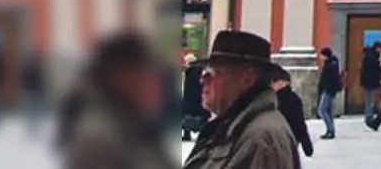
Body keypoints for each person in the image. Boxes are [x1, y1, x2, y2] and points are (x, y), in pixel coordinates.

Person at [61, 32, 180, 169]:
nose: (155, 85)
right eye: (146, 75)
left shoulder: (132, 126)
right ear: (121, 77)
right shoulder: (100, 138)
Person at [182, 30, 300, 169]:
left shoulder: (261, 139)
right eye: (203, 72)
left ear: (247, 78)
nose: (202, 80)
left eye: (212, 72)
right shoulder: (233, 127)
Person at [269, 66, 315, 163]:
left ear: (283, 83)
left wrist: (306, 144)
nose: (272, 85)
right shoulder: (274, 98)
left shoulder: (287, 99)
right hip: (286, 139)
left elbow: (299, 123)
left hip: (286, 138)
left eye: (275, 82)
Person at [314, 47, 341, 140]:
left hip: (328, 90)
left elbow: (328, 79)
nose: (320, 57)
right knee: (328, 111)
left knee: (322, 110)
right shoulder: (332, 64)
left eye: (322, 55)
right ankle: (331, 130)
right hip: (329, 90)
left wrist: (324, 88)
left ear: (325, 55)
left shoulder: (330, 65)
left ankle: (330, 130)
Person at [181, 54, 207, 142]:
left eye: (186, 62)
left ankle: (187, 134)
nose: (184, 64)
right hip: (199, 97)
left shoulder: (192, 70)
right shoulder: (200, 69)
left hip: (192, 97)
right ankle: (201, 134)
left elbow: (190, 87)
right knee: (201, 117)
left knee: (186, 116)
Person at [358, 41, 381, 125]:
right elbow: (375, 69)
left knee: (368, 99)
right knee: (370, 99)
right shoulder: (373, 57)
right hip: (370, 81)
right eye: (380, 48)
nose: (380, 50)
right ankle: (369, 116)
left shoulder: (369, 55)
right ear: (377, 48)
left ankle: (368, 115)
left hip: (367, 81)